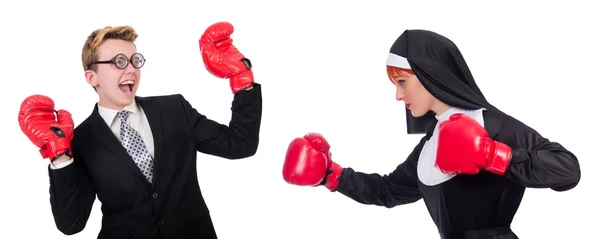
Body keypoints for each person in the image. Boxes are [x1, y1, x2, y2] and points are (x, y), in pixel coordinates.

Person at [281, 29, 581, 239]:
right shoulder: (432, 143)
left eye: (402, 82)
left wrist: (493, 155)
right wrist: (332, 175)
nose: (398, 96)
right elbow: (388, 190)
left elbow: (567, 169)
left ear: (430, 76)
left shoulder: (494, 126)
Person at [18, 22, 262, 239]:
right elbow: (71, 224)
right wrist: (59, 155)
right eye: (119, 62)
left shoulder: (174, 109)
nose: (131, 69)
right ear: (92, 77)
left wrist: (243, 81)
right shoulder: (80, 140)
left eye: (135, 61)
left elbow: (240, 145)